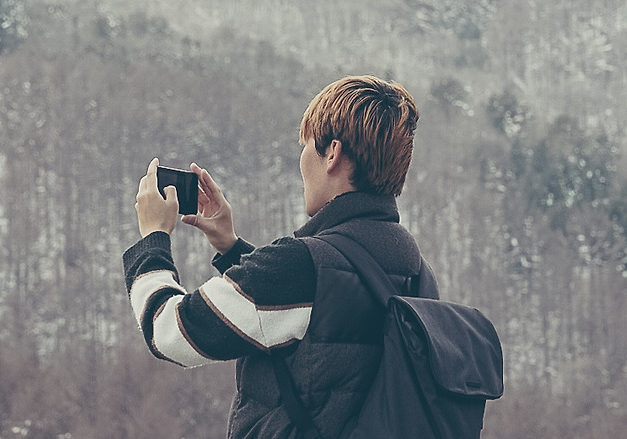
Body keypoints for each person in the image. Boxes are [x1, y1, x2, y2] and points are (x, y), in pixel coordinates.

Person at [123, 75, 438, 438]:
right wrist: (232, 249)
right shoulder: (413, 268)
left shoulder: (300, 266)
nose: (302, 160)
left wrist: (153, 238)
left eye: (306, 145)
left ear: (332, 153)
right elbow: (322, 322)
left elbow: (169, 332)